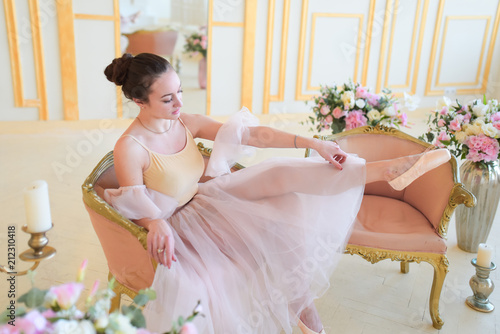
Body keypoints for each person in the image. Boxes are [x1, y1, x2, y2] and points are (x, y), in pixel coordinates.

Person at [103, 53, 451, 334]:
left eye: (180, 91)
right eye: (167, 98)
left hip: (207, 196)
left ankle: (386, 170)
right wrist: (154, 222)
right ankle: (306, 325)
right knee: (278, 235)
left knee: (279, 171)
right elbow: (133, 204)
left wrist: (312, 142)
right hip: (180, 223)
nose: (179, 102)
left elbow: (254, 135)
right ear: (138, 100)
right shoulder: (130, 147)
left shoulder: (184, 121)